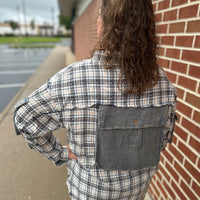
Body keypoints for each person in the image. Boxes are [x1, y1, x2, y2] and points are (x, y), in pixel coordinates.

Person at [13, 0, 177, 199]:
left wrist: (60, 153)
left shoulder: (73, 79)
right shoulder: (162, 82)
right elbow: (162, 139)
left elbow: (24, 118)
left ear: (103, 25)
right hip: (137, 193)